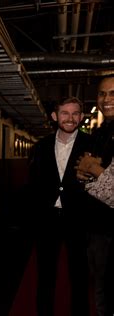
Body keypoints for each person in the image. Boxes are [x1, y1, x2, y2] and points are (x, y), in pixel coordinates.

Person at [28, 97, 92, 316]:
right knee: (46, 274)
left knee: (80, 274)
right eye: (65, 113)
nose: (70, 118)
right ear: (55, 117)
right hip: (48, 218)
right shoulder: (41, 147)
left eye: (75, 113)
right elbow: (34, 185)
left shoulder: (92, 145)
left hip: (79, 218)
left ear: (81, 118)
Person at [78, 74, 114, 316]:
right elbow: (91, 170)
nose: (106, 99)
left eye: (113, 93)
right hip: (99, 227)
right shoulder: (101, 132)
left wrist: (94, 170)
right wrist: (86, 174)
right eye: (102, 94)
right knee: (102, 288)